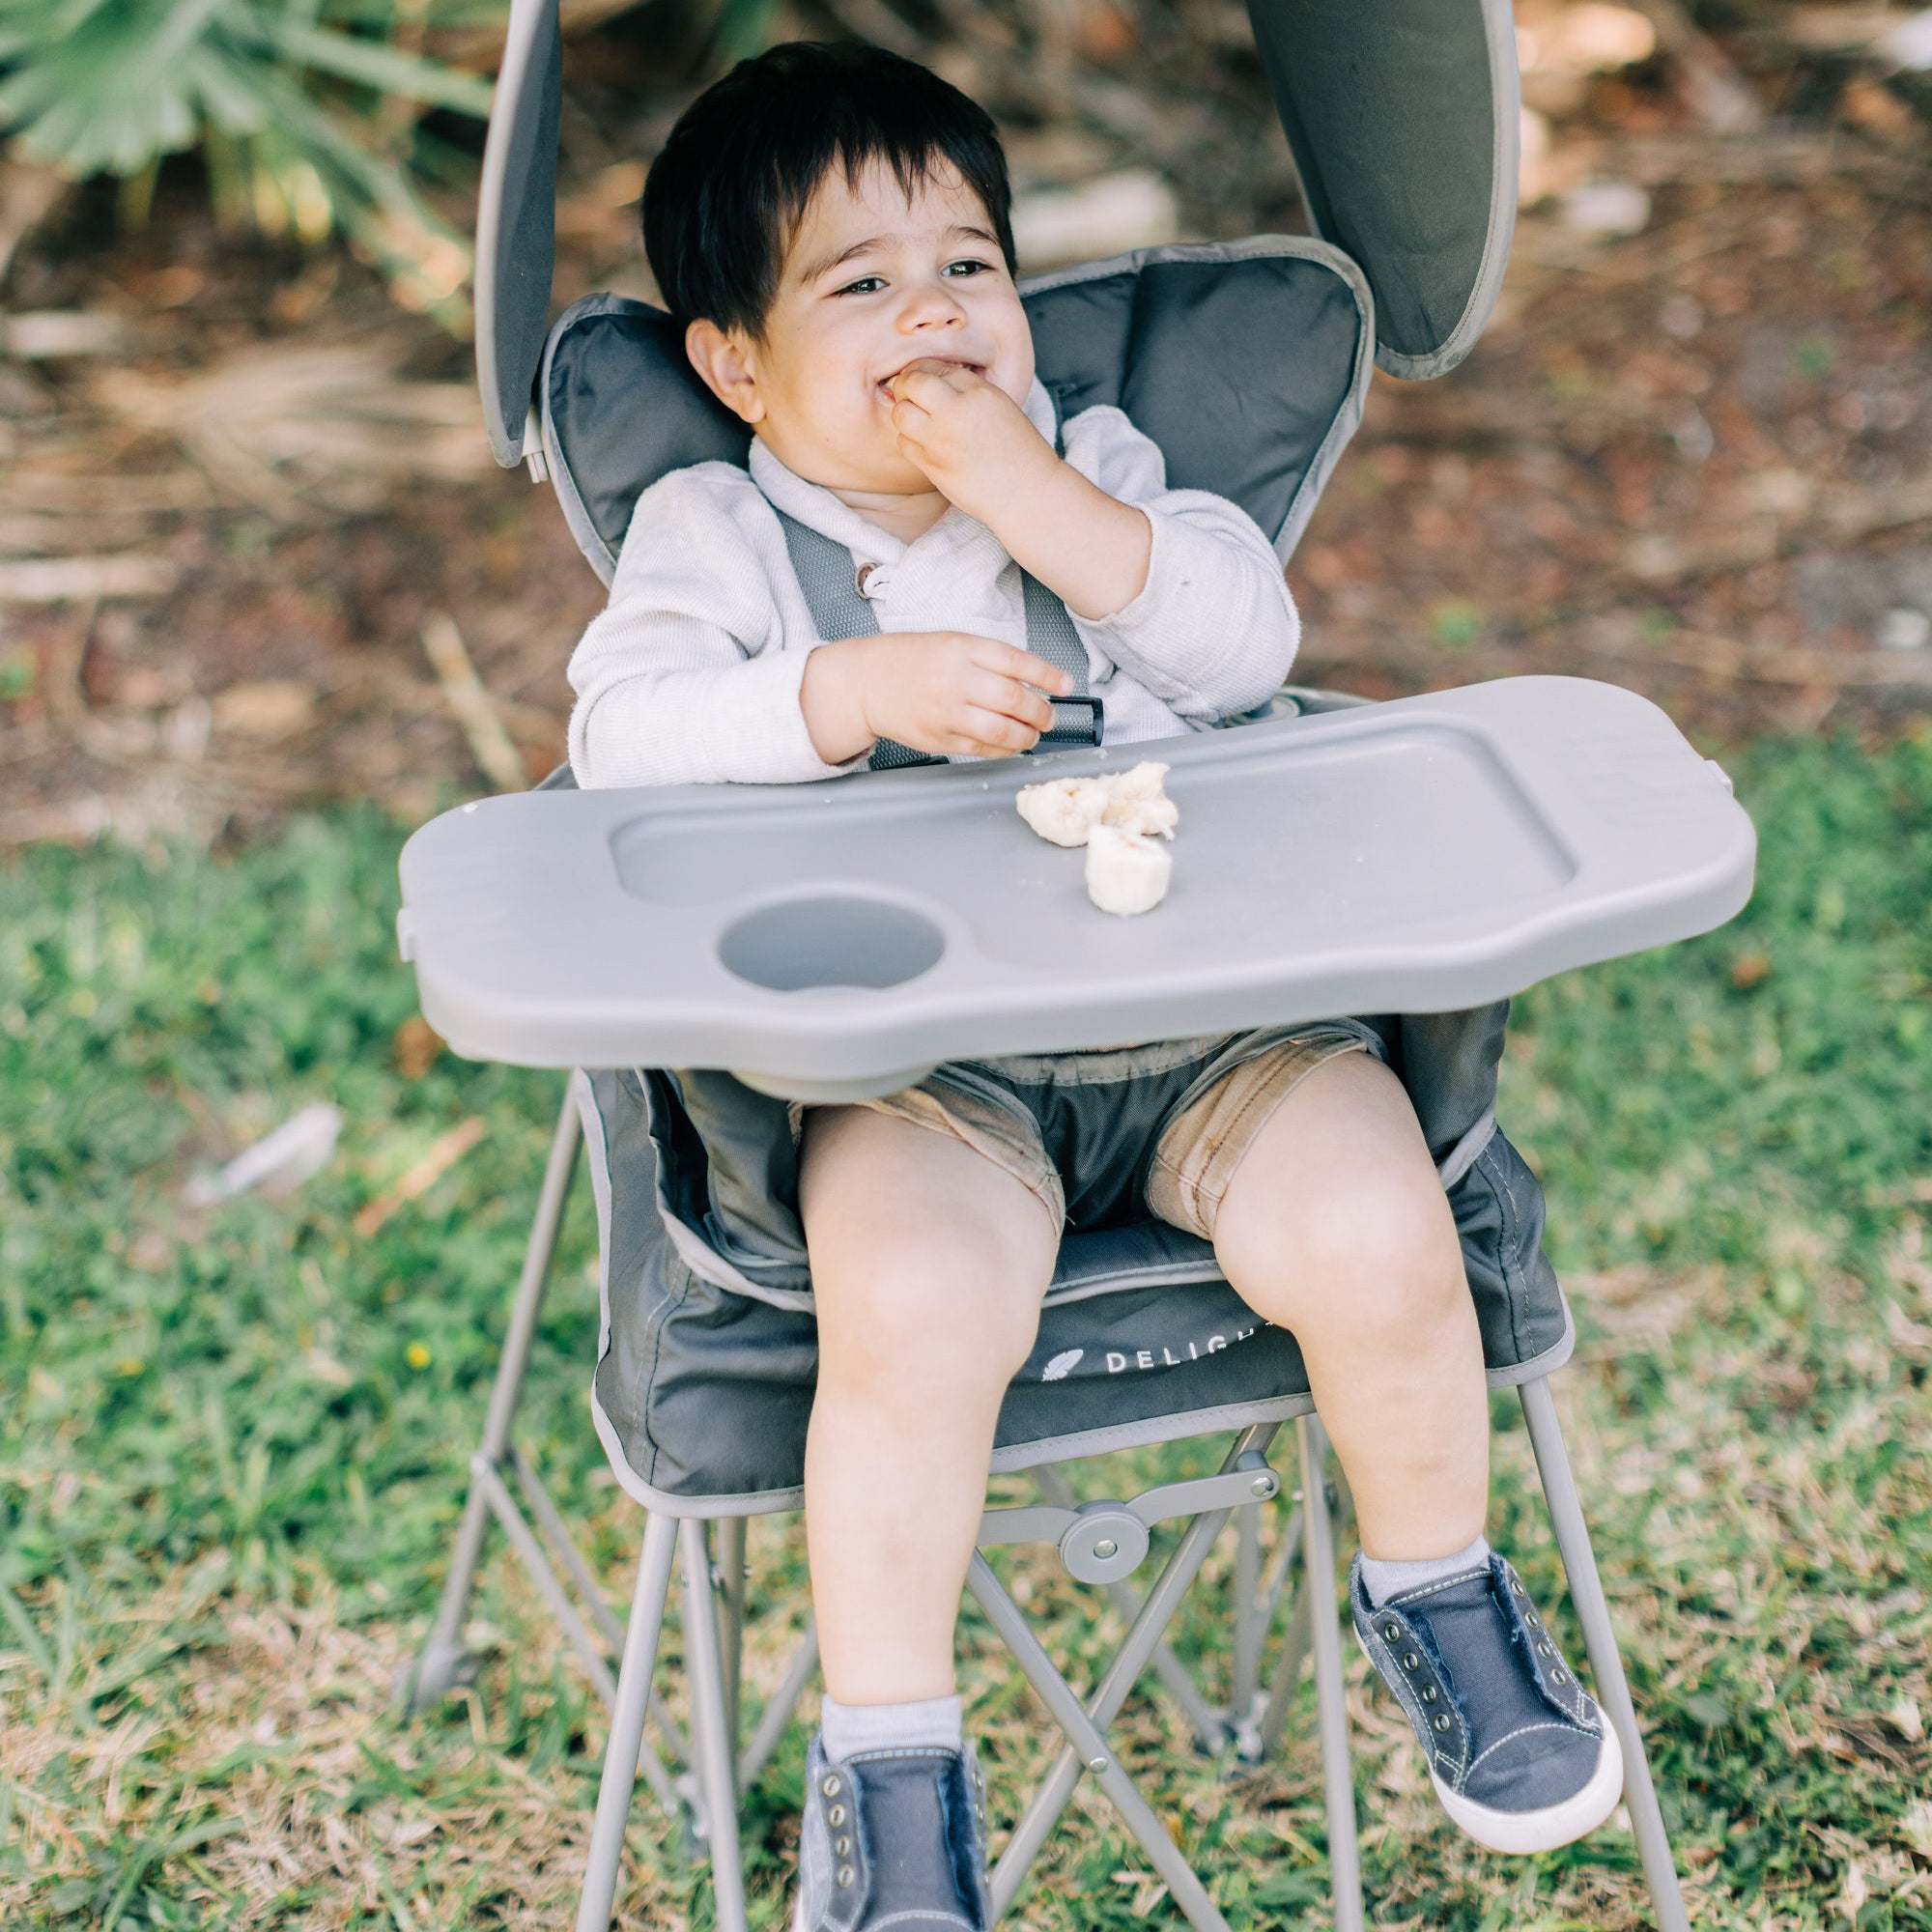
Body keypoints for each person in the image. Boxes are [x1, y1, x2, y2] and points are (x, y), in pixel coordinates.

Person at [566, 42, 1622, 1930]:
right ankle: (892, 1760)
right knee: (900, 1308)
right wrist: (836, 699)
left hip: (1225, 1033)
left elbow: (1238, 641)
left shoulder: (1100, 466)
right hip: (923, 1074)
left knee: (1386, 1231)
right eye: (860, 283)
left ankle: (1437, 1583)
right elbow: (620, 740)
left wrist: (1037, 494)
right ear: (734, 364)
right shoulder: (720, 537)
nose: (935, 316)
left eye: (968, 265)